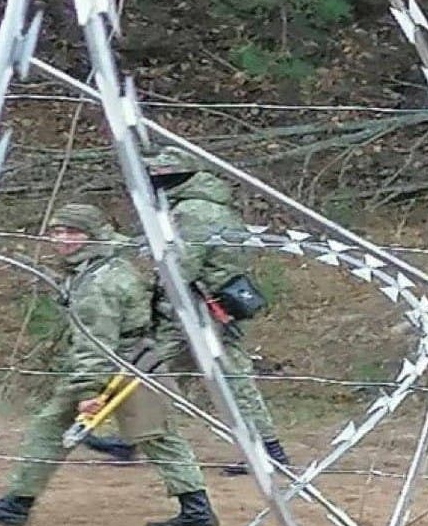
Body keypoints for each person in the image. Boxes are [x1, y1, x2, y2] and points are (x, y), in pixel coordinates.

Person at [0, 203, 219, 526]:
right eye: (57, 231)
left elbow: (96, 342)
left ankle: (196, 510)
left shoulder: (99, 282)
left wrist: (88, 391)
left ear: (92, 235)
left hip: (123, 366)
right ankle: (17, 502)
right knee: (55, 427)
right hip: (134, 360)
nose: (62, 239)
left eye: (72, 232)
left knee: (156, 436)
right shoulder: (103, 267)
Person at [84, 146, 290, 475]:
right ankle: (134, 440)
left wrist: (152, 291)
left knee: (217, 378)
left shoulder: (194, 211)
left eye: (157, 174)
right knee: (158, 372)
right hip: (195, 309)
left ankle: (268, 450)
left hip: (198, 312)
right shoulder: (198, 206)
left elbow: (180, 265)